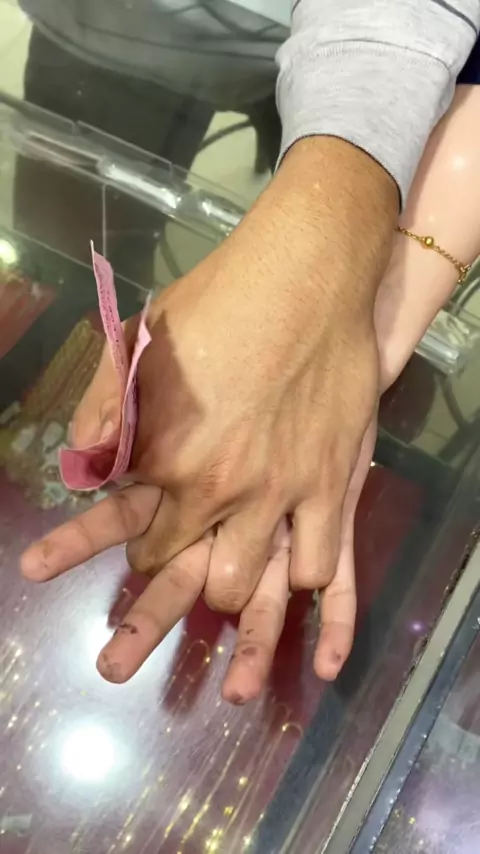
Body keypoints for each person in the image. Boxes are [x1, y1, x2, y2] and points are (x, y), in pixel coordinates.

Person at [20, 1, 480, 702]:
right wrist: (356, 306)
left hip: (338, 40)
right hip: (88, 31)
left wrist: (334, 232)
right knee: (59, 254)